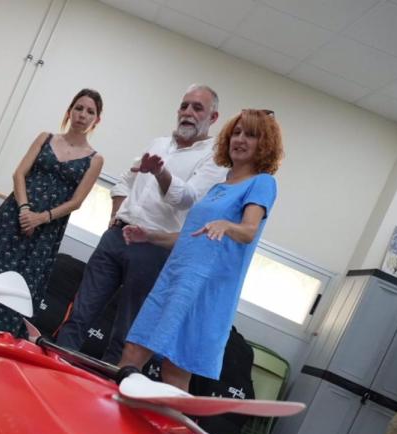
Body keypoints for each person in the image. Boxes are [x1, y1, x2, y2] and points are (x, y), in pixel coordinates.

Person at [55, 85, 226, 362]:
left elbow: (187, 198)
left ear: (213, 118)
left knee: (126, 333)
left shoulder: (214, 158)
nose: (188, 113)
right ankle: (54, 369)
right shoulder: (158, 143)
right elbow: (125, 181)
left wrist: (160, 173)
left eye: (197, 108)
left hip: (154, 249)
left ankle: (107, 397)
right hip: (116, 237)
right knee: (79, 314)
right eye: (184, 106)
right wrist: (117, 216)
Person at [115, 108, 283, 391]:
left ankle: (170, 433)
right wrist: (150, 236)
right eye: (237, 132)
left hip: (203, 289)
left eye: (251, 135)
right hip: (174, 278)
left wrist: (227, 226)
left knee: (175, 369)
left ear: (264, 144)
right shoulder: (220, 186)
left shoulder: (263, 182)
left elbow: (249, 230)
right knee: (133, 350)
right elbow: (192, 236)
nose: (240, 139)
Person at [0, 89, 105, 339]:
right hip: (13, 217)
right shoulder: (45, 138)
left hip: (45, 233)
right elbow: (19, 174)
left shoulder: (95, 159)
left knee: (17, 289)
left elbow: (77, 202)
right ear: (69, 111)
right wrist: (25, 210)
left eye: (90, 111)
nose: (83, 114)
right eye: (79, 108)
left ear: (96, 120)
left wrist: (41, 218)